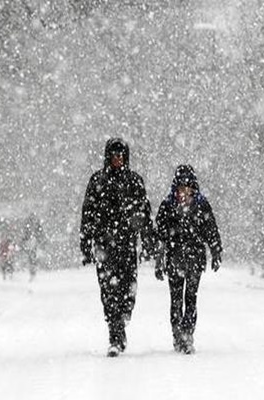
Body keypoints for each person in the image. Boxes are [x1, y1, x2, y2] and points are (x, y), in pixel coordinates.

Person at [80, 138, 157, 357]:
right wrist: (87, 244)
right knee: (108, 291)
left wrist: (148, 241)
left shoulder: (134, 182)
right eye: (114, 155)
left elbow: (144, 213)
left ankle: (122, 319)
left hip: (126, 245)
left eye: (121, 156)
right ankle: (114, 333)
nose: (117, 159)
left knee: (127, 289)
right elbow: (88, 214)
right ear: (107, 157)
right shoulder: (97, 181)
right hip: (104, 246)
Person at [155, 164, 222, 354]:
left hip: (194, 260)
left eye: (188, 187)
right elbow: (160, 235)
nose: (185, 192)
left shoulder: (201, 205)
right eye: (181, 187)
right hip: (174, 260)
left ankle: (187, 334)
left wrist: (216, 251)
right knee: (176, 300)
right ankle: (178, 335)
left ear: (194, 187)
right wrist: (159, 261)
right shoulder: (168, 206)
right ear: (175, 188)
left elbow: (211, 230)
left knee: (190, 299)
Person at [21, 213, 45, 281]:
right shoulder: (32, 228)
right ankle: (33, 273)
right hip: (31, 245)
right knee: (32, 260)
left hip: (32, 246)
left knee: (32, 260)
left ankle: (33, 273)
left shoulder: (35, 228)